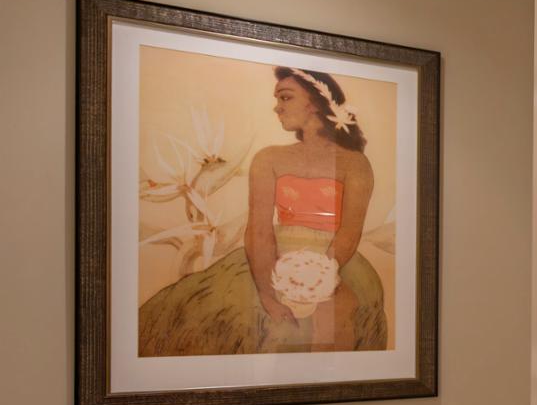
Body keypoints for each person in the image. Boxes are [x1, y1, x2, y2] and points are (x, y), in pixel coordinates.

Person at [137, 66, 388, 355]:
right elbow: (259, 228)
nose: (277, 107)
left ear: (314, 103)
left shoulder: (355, 164)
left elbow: (350, 230)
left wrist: (319, 275)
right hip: (272, 256)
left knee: (341, 313)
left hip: (338, 259)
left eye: (285, 98)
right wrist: (268, 292)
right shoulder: (269, 158)